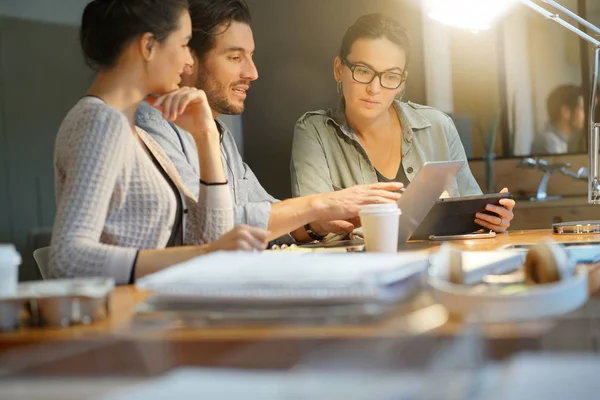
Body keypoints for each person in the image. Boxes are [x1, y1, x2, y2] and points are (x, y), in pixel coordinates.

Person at [135, 0, 403, 244]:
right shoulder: (150, 129)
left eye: (250, 57)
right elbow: (206, 229)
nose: (252, 73)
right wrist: (320, 204)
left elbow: (263, 211)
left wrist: (312, 225)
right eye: (235, 57)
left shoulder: (220, 134)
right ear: (188, 57)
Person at [50, 0, 269, 285]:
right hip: (126, 318)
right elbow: (68, 259)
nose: (189, 61)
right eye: (183, 45)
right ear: (149, 46)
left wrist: (206, 137)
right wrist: (204, 254)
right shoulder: (101, 121)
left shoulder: (133, 133)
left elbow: (214, 237)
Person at [291, 13, 515, 233]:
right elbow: (307, 226)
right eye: (363, 71)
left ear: (401, 83)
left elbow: (471, 216)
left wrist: (493, 220)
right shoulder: (315, 131)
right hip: (357, 266)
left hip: (437, 263)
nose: (374, 89)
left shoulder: (438, 126)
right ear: (339, 69)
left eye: (390, 76)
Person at [531, 84, 585, 155]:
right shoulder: (548, 143)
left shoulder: (573, 137)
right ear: (565, 112)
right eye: (581, 108)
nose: (584, 114)